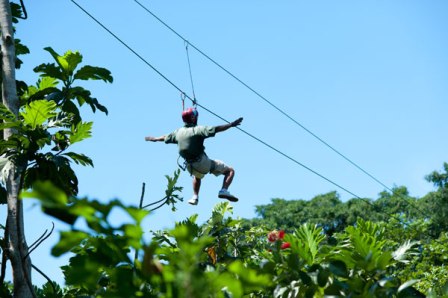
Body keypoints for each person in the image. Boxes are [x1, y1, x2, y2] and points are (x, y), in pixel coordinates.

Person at [145, 107, 243, 205]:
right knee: (230, 170)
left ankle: (195, 197)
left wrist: (155, 138)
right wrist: (230, 125)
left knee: (197, 176)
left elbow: (165, 137)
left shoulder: (178, 132)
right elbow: (216, 129)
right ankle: (223, 190)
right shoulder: (197, 130)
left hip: (189, 166)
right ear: (193, 118)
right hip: (202, 163)